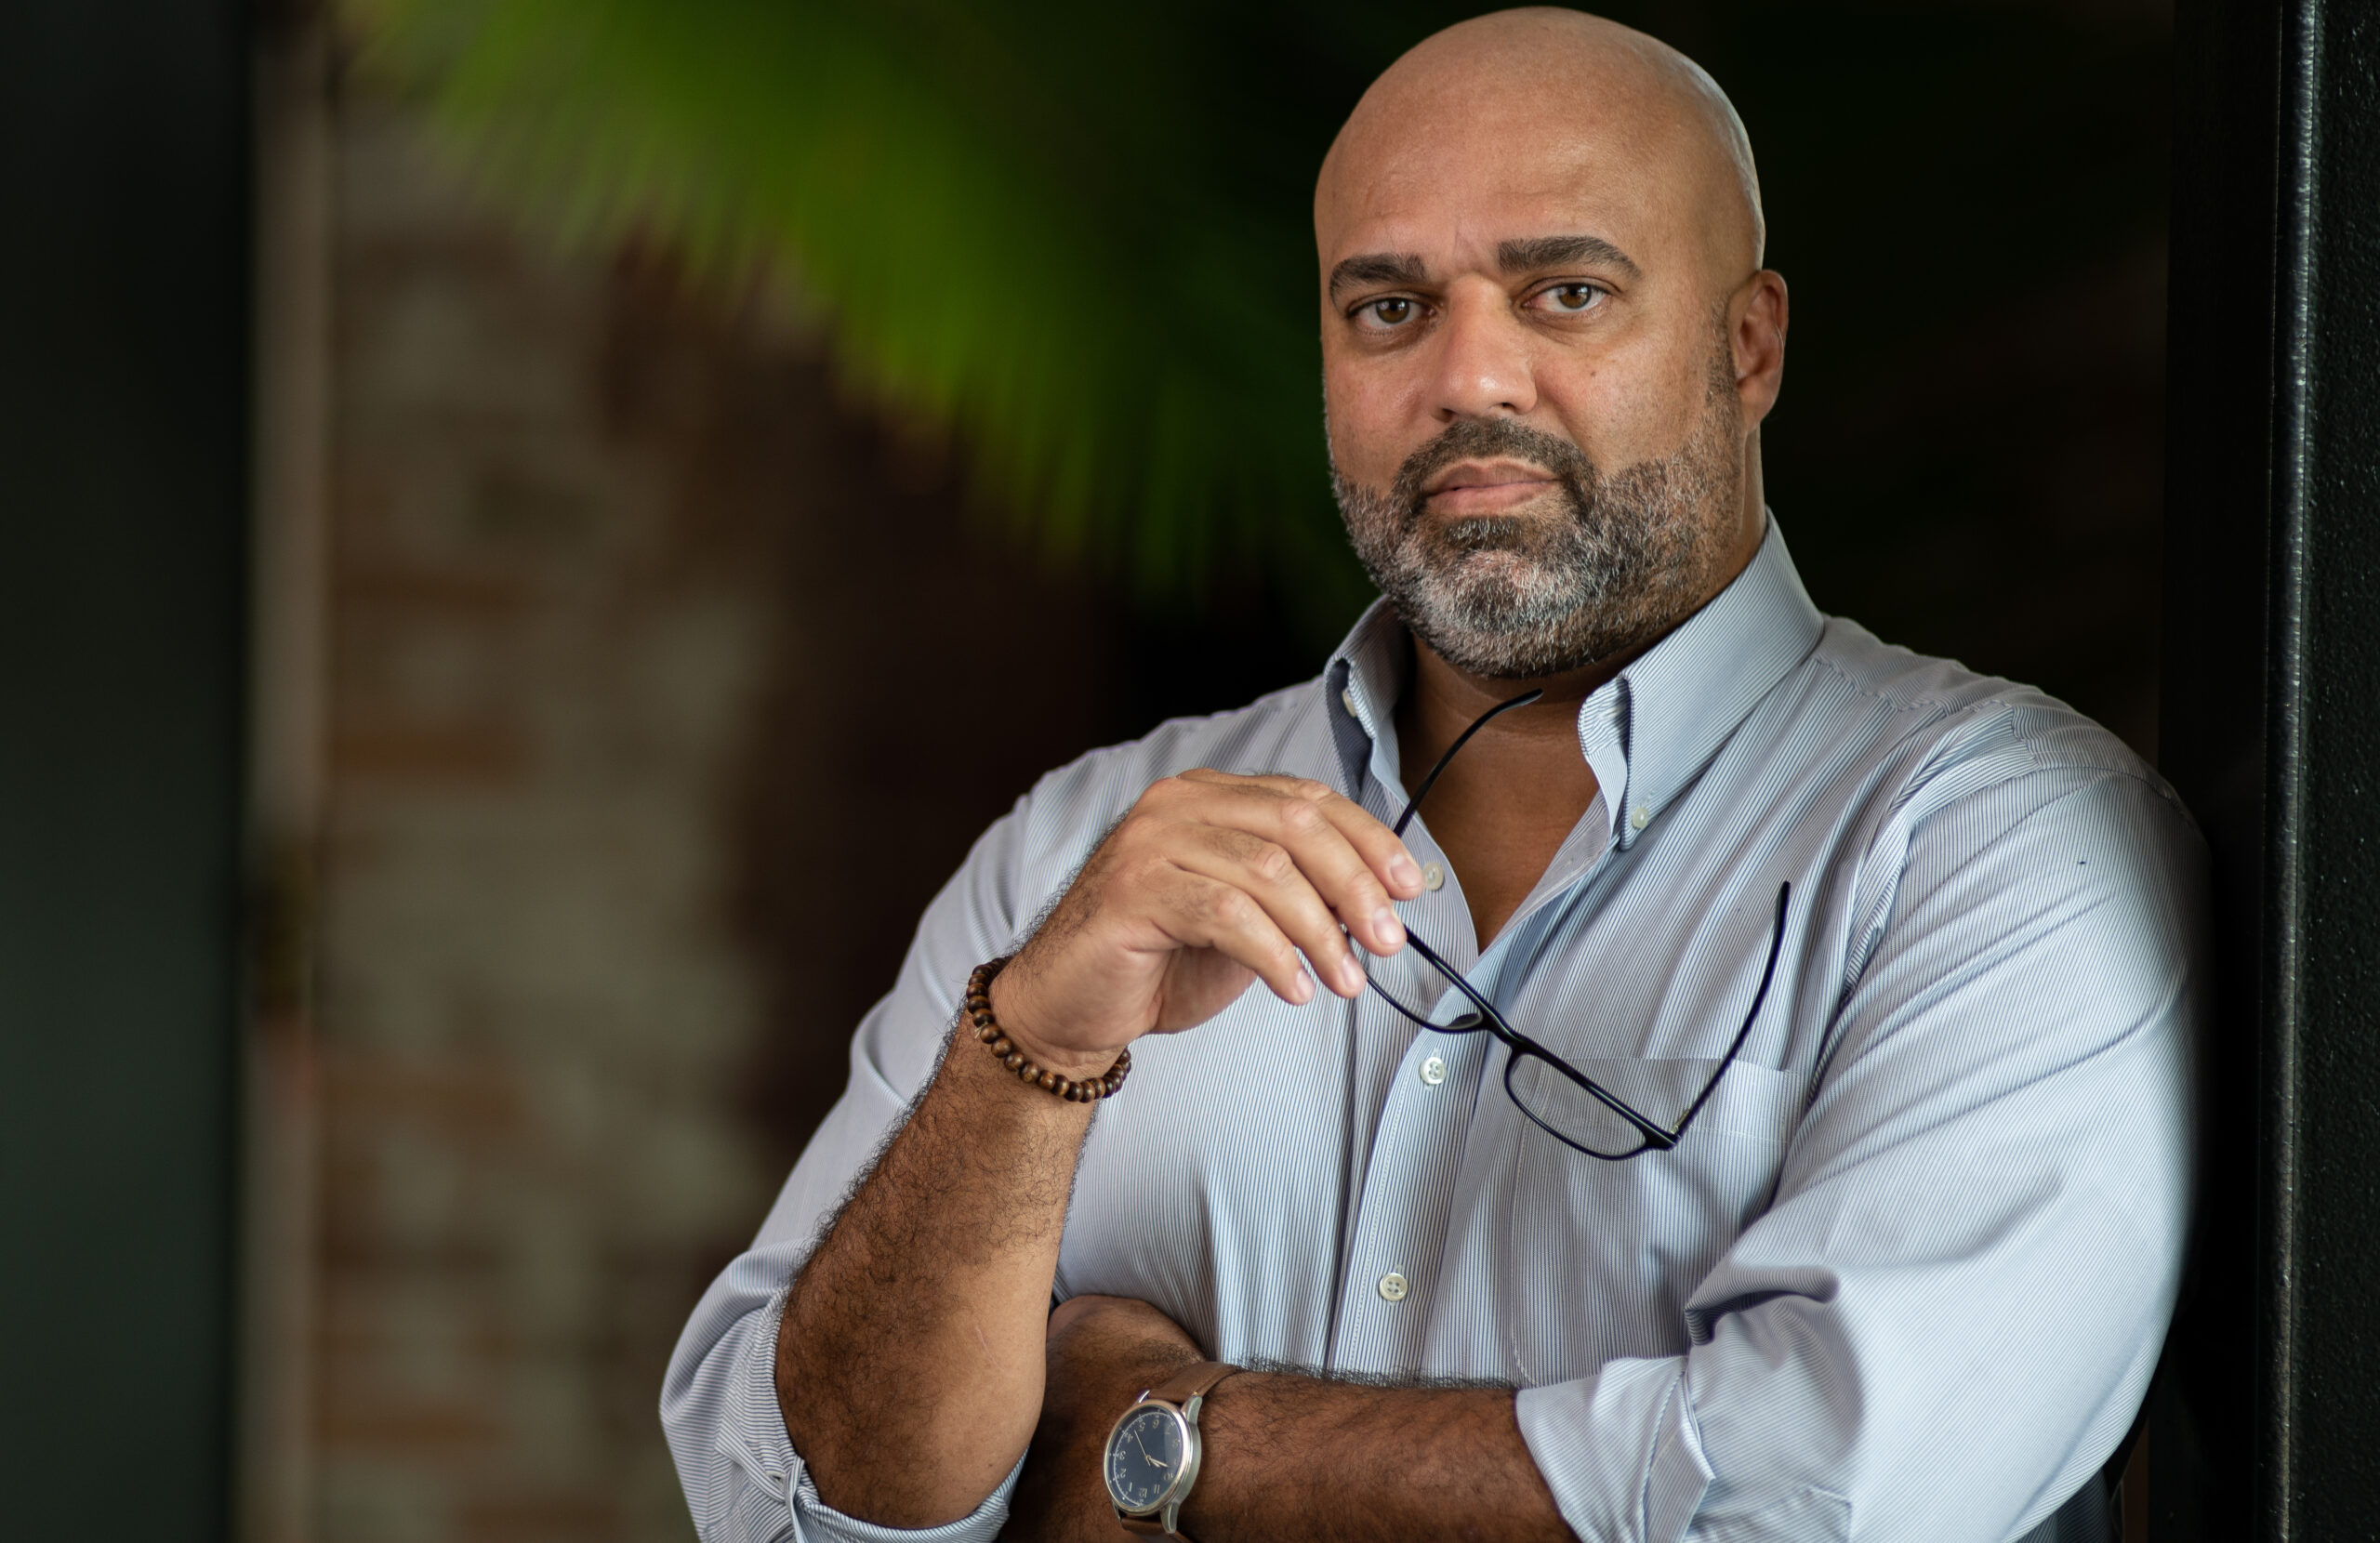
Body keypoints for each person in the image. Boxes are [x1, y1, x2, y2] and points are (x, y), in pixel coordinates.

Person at [661, 9, 2202, 1541]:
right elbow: (775, 1507)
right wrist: (1030, 1054)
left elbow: (1818, 1501)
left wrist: (1159, 1450)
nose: (1471, 377)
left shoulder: (1994, 847)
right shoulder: (1084, 852)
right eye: (1389, 309)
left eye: (1567, 293)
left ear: (1749, 346)